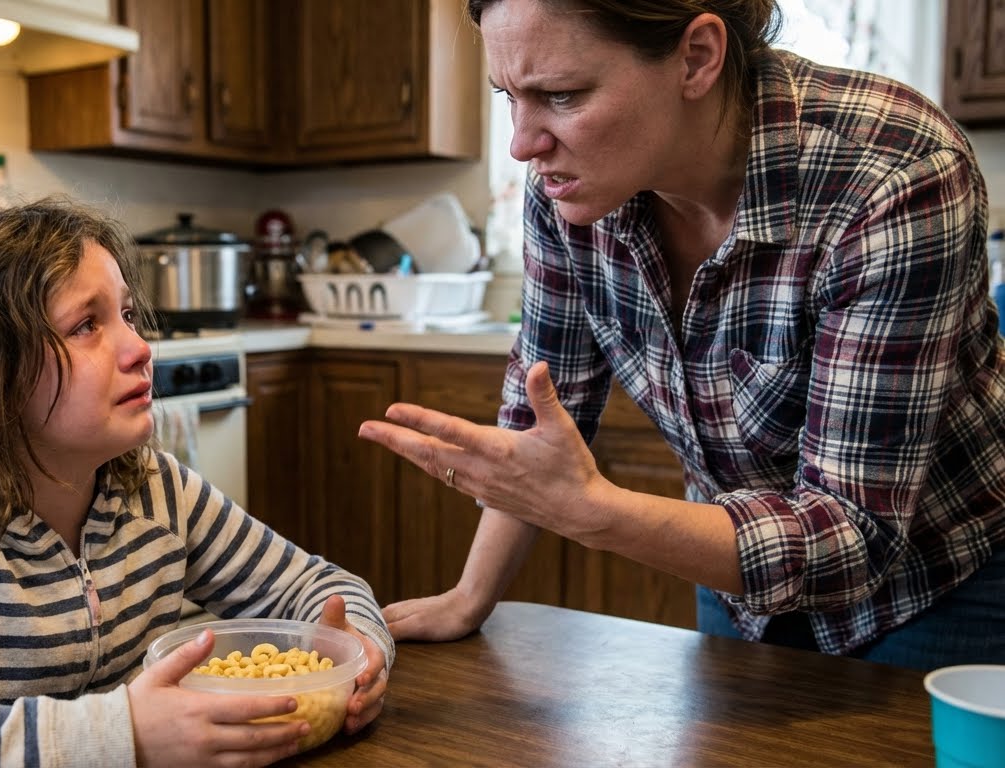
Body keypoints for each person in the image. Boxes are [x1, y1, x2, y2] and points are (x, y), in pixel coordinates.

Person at [361, 0, 1005, 671]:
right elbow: (539, 435)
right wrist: (469, 598)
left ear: (697, 57)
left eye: (561, 95)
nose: (524, 143)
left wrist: (594, 512)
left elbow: (853, 538)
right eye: (508, 97)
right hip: (733, 570)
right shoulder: (567, 189)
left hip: (939, 582)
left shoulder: (894, 174)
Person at [0, 198, 392, 767]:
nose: (140, 348)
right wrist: (124, 733)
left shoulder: (156, 491)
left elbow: (318, 586)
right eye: (85, 326)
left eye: (126, 314)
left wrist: (359, 653)